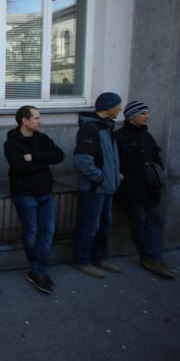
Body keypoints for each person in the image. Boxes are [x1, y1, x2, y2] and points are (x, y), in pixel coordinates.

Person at [4, 106, 64, 294]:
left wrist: (35, 157)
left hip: (46, 193)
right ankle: (39, 270)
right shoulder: (11, 143)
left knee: (48, 231)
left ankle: (37, 270)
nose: (40, 121)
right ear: (25, 121)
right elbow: (20, 167)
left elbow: (59, 156)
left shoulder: (42, 139)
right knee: (31, 232)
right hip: (25, 194)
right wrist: (43, 163)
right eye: (37, 118)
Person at [114, 102, 174, 279]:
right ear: (132, 115)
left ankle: (154, 257)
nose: (147, 116)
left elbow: (156, 156)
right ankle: (147, 258)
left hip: (150, 187)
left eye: (147, 113)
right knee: (138, 222)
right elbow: (114, 160)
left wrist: (158, 171)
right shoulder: (119, 136)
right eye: (143, 113)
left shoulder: (146, 135)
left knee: (155, 221)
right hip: (131, 189)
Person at [72, 92, 123, 278]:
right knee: (89, 225)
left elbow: (106, 157)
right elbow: (82, 160)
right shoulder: (90, 128)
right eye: (117, 105)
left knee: (104, 223)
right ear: (108, 107)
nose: (120, 108)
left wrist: (114, 175)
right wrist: (101, 178)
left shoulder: (106, 126)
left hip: (107, 186)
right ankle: (82, 260)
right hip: (94, 188)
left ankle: (98, 257)